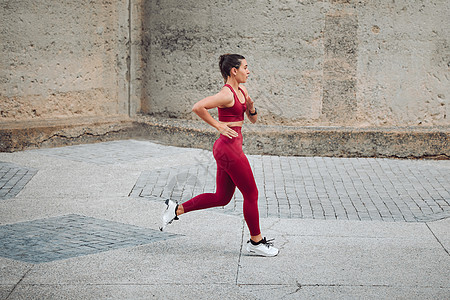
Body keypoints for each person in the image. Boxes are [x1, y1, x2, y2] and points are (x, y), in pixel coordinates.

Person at [160, 54, 279, 257]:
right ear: (234, 70)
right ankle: (255, 241)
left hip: (228, 149)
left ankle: (176, 210)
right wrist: (218, 125)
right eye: (245, 67)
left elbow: (254, 120)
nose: (248, 71)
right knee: (251, 194)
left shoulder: (242, 90)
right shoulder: (227, 94)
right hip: (228, 150)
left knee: (222, 197)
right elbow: (198, 107)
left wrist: (251, 108)